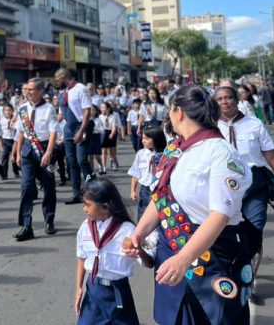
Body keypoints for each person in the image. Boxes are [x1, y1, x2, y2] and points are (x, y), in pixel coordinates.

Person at [123, 85, 253, 325]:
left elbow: (220, 214)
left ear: (178, 112)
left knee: (217, 317)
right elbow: (161, 197)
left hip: (211, 256)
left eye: (169, 110)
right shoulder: (174, 149)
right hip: (171, 252)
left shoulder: (221, 152)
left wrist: (184, 259)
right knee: (175, 317)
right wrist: (138, 234)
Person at [214, 85, 274, 301]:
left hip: (254, 185)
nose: (225, 102)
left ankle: (246, 281)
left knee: (254, 232)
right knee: (224, 235)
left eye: (228, 98)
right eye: (220, 99)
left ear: (236, 100)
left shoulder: (254, 124)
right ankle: (229, 277)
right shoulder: (210, 127)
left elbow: (272, 156)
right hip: (223, 187)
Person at [75, 179, 139, 325]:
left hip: (118, 291)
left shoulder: (127, 230)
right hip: (94, 290)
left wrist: (139, 251)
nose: (84, 209)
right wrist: (79, 288)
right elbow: (82, 257)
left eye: (88, 205)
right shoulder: (85, 227)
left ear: (105, 207)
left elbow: (146, 260)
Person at [12, 77, 58, 241]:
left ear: (40, 91)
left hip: (45, 148)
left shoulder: (49, 109)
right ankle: (26, 225)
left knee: (48, 185)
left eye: (31, 90)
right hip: (27, 151)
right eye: (27, 90)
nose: (28, 92)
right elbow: (20, 132)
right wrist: (17, 153)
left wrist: (48, 153)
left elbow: (53, 132)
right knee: (26, 187)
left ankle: (49, 220)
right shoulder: (22, 108)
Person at [55, 68, 94, 205]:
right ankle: (76, 192)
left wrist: (81, 130)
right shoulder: (62, 93)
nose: (56, 82)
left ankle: (93, 190)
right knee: (71, 162)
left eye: (57, 79)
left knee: (82, 160)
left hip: (81, 126)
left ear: (64, 76)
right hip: (68, 128)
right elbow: (60, 115)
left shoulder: (80, 89)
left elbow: (87, 111)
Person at [127, 127, 166, 221]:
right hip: (145, 190)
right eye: (143, 138)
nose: (143, 141)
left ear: (156, 139)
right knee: (143, 216)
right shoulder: (141, 154)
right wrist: (133, 190)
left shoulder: (165, 154)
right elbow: (136, 173)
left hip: (160, 189)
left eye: (147, 139)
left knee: (160, 216)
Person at [97, 102, 122, 174]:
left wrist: (112, 133)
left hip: (110, 133)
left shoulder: (112, 117)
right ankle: (103, 166)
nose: (102, 109)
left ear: (108, 109)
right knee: (103, 151)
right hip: (102, 133)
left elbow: (114, 126)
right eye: (101, 107)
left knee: (112, 151)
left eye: (104, 107)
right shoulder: (99, 117)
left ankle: (114, 162)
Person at [0, 103, 20, 180]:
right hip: (5, 140)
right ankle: (4, 174)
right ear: (3, 111)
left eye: (9, 110)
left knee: (14, 156)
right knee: (4, 157)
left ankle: (16, 171)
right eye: (6, 110)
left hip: (14, 140)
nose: (7, 112)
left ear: (12, 111)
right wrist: (0, 144)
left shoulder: (15, 119)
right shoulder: (1, 120)